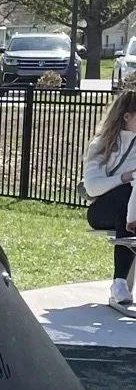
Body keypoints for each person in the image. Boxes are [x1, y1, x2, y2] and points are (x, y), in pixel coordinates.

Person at [82, 83, 136, 308]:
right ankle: (119, 281)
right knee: (124, 194)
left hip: (134, 207)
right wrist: (125, 177)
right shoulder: (103, 144)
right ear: (126, 116)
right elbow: (92, 187)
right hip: (103, 210)